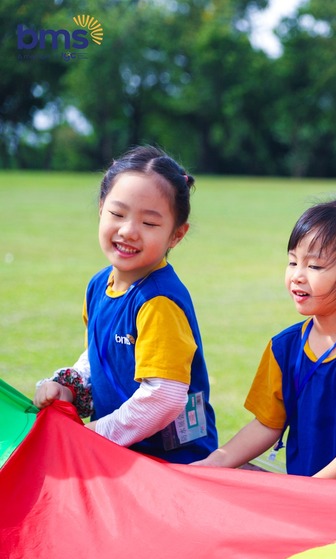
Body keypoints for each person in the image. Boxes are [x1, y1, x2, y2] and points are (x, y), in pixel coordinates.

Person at [194, 199, 336, 480]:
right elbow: (267, 425)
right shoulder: (283, 347)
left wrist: (313, 489)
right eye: (293, 262)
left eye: (315, 266)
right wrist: (214, 462)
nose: (297, 276)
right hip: (309, 496)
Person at [33, 145, 217, 464]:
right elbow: (100, 356)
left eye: (149, 223)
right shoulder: (98, 286)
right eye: (118, 214)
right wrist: (69, 387)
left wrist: (95, 434)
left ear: (176, 235)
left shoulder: (158, 301)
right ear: (101, 209)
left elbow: (165, 396)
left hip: (173, 463)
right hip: (118, 455)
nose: (129, 231)